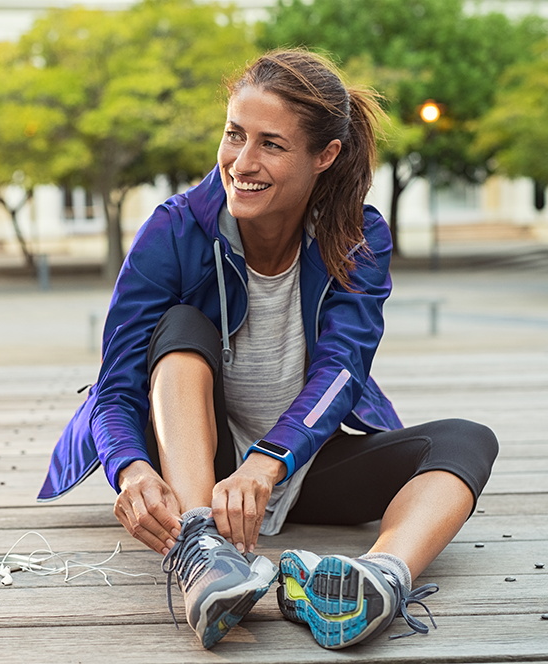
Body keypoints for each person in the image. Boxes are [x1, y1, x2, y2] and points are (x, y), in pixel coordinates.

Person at [38, 48, 498, 651]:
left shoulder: (358, 236)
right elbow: (116, 386)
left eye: (271, 145)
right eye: (234, 135)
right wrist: (131, 468)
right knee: (179, 327)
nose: (242, 162)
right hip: (198, 470)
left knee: (467, 440)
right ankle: (201, 553)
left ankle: (380, 579)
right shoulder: (174, 230)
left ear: (324, 156)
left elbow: (343, 370)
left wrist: (270, 460)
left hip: (298, 461)